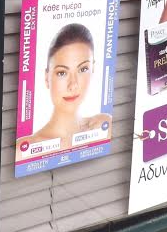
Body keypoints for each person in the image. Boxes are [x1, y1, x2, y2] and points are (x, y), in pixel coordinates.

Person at [16, 24, 111, 159]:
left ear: (93, 69)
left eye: (83, 69)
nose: (73, 85)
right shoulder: (24, 149)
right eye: (62, 73)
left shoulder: (104, 126)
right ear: (47, 78)